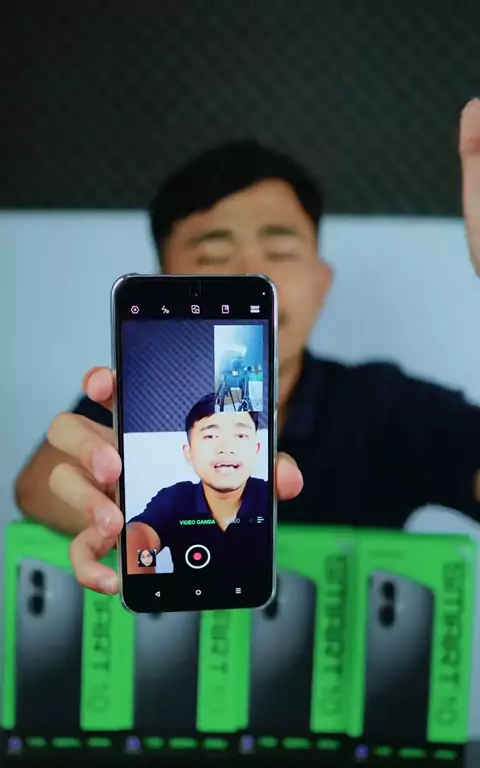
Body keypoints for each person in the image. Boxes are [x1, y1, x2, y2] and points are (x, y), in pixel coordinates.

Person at [14, 100, 480, 595]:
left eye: (281, 251)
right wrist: (120, 509)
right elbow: (36, 486)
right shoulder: (143, 397)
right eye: (213, 255)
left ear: (322, 282)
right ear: (165, 285)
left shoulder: (386, 404)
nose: (253, 275)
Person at [126, 394, 268, 575]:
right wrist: (143, 572)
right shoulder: (176, 499)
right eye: (211, 436)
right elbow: (140, 535)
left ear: (256, 449)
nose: (226, 448)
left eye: (240, 435)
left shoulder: (270, 496)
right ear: (189, 453)